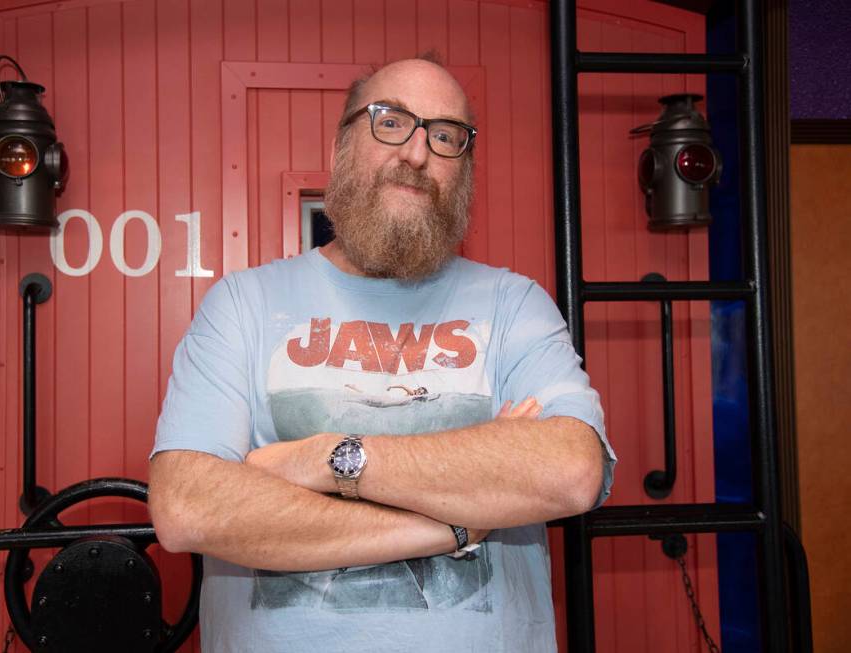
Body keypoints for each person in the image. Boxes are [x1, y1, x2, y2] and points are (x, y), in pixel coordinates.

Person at [148, 56, 616, 652]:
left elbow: (572, 468)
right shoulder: (242, 303)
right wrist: (452, 525)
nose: (418, 154)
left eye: (445, 136)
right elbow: (188, 506)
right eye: (391, 122)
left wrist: (327, 459)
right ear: (343, 143)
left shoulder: (513, 303)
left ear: (465, 170)